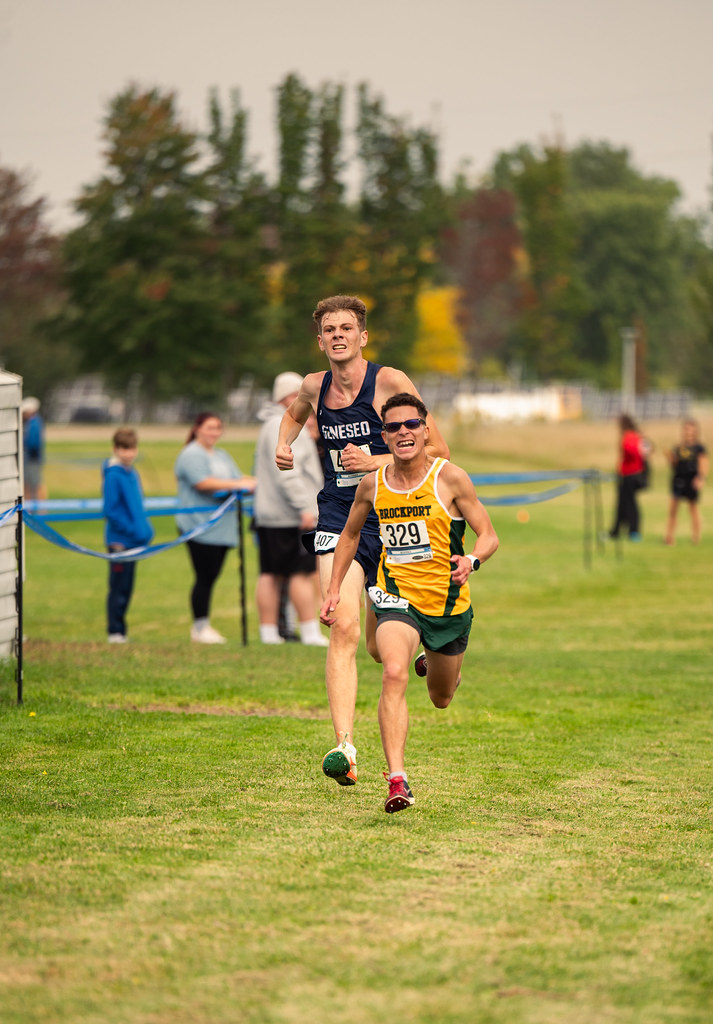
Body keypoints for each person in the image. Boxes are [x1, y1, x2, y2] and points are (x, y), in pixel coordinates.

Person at [276, 294, 450, 787]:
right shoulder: (314, 385)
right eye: (329, 329)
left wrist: (375, 461)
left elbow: (439, 447)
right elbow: (295, 412)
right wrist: (284, 443)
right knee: (343, 625)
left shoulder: (390, 382)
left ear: (362, 336)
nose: (337, 335)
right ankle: (344, 747)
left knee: (378, 647)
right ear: (320, 339)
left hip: (393, 516)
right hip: (339, 515)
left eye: (346, 328)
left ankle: (415, 642)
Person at [320, 393, 498, 813]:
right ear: (384, 435)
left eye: (411, 425)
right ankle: (397, 780)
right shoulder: (373, 484)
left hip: (447, 604)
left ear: (425, 430)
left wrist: (472, 560)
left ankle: (437, 662)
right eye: (394, 427)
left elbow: (489, 534)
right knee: (393, 671)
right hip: (396, 595)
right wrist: (333, 588)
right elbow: (348, 536)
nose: (403, 433)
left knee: (441, 696)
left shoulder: (450, 478)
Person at [253, 372, 328, 647]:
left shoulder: (272, 423)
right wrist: (306, 507)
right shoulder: (279, 424)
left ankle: (270, 633)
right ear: (288, 396)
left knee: (271, 572)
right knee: (298, 573)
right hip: (290, 515)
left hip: (275, 513)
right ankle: (308, 631)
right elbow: (287, 472)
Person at [175, 412, 255, 644]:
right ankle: (200, 627)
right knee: (204, 576)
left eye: (217, 428)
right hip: (199, 525)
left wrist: (260, 481)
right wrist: (240, 484)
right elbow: (203, 483)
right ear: (197, 428)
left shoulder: (221, 454)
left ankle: (203, 626)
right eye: (210, 427)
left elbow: (238, 477)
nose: (214, 432)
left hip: (222, 527)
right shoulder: (190, 454)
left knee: (211, 576)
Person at [102, 428, 154, 644]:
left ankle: (121, 631)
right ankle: (115, 631)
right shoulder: (113, 475)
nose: (128, 453)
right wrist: (134, 531)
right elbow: (111, 511)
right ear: (115, 449)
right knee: (118, 587)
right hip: (119, 542)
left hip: (134, 541)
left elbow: (137, 508)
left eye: (132, 448)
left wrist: (145, 531)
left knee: (127, 587)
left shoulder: (132, 473)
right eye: (124, 449)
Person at [664, 418, 708, 545]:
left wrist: (700, 478)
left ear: (695, 432)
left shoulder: (699, 448)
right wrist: (670, 458)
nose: (689, 433)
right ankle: (669, 537)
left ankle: (696, 537)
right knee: (673, 510)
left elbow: (704, 464)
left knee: (693, 509)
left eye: (691, 430)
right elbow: (674, 465)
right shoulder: (679, 447)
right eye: (687, 430)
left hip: (691, 480)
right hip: (678, 480)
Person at [609, 413, 650, 542]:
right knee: (622, 505)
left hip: (630, 475)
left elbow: (635, 452)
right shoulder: (637, 436)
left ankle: (633, 531)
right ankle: (616, 532)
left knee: (630, 504)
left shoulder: (630, 436)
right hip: (628, 474)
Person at [21, 396, 46, 502]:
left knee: (35, 484)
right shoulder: (33, 421)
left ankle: (39, 509)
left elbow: (33, 442)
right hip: (32, 458)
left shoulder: (33, 423)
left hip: (32, 458)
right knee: (30, 484)